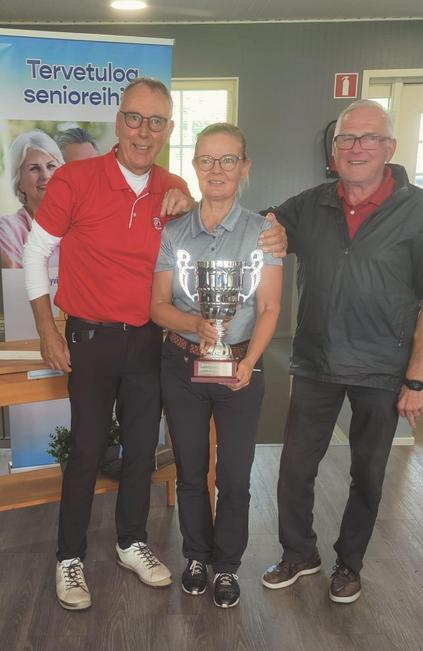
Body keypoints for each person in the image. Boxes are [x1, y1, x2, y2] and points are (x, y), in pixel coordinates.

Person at [261, 100, 423, 604]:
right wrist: (269, 228)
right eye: (346, 138)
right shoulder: (312, 204)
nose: (356, 147)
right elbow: (261, 224)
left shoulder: (418, 209)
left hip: (382, 367)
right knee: (295, 467)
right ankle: (298, 553)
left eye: (369, 138)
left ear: (389, 148)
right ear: (334, 150)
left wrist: (416, 380)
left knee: (366, 473)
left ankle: (350, 563)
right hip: (317, 361)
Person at [23, 77, 196, 611]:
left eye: (156, 121)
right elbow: (35, 254)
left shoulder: (173, 186)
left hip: (149, 340)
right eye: (135, 118)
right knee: (87, 450)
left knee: (141, 450)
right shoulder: (75, 178)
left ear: (168, 129)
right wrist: (48, 330)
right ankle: (69, 557)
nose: (144, 131)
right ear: (119, 123)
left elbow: (199, 252)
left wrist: (191, 207)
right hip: (90, 339)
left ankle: (130, 542)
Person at [151, 123, 282, 608]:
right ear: (194, 166)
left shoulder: (264, 233)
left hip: (241, 366)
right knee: (190, 469)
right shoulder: (174, 232)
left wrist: (250, 361)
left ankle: (227, 565)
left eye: (228, 159)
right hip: (181, 365)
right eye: (207, 159)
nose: (217, 169)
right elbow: (157, 307)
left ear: (244, 167)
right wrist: (194, 323)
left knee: (235, 475)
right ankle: (196, 556)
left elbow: (269, 308)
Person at [0, 130, 64, 268]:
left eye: (51, 166)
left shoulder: (81, 224)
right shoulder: (7, 229)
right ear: (19, 182)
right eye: (34, 168)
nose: (45, 175)